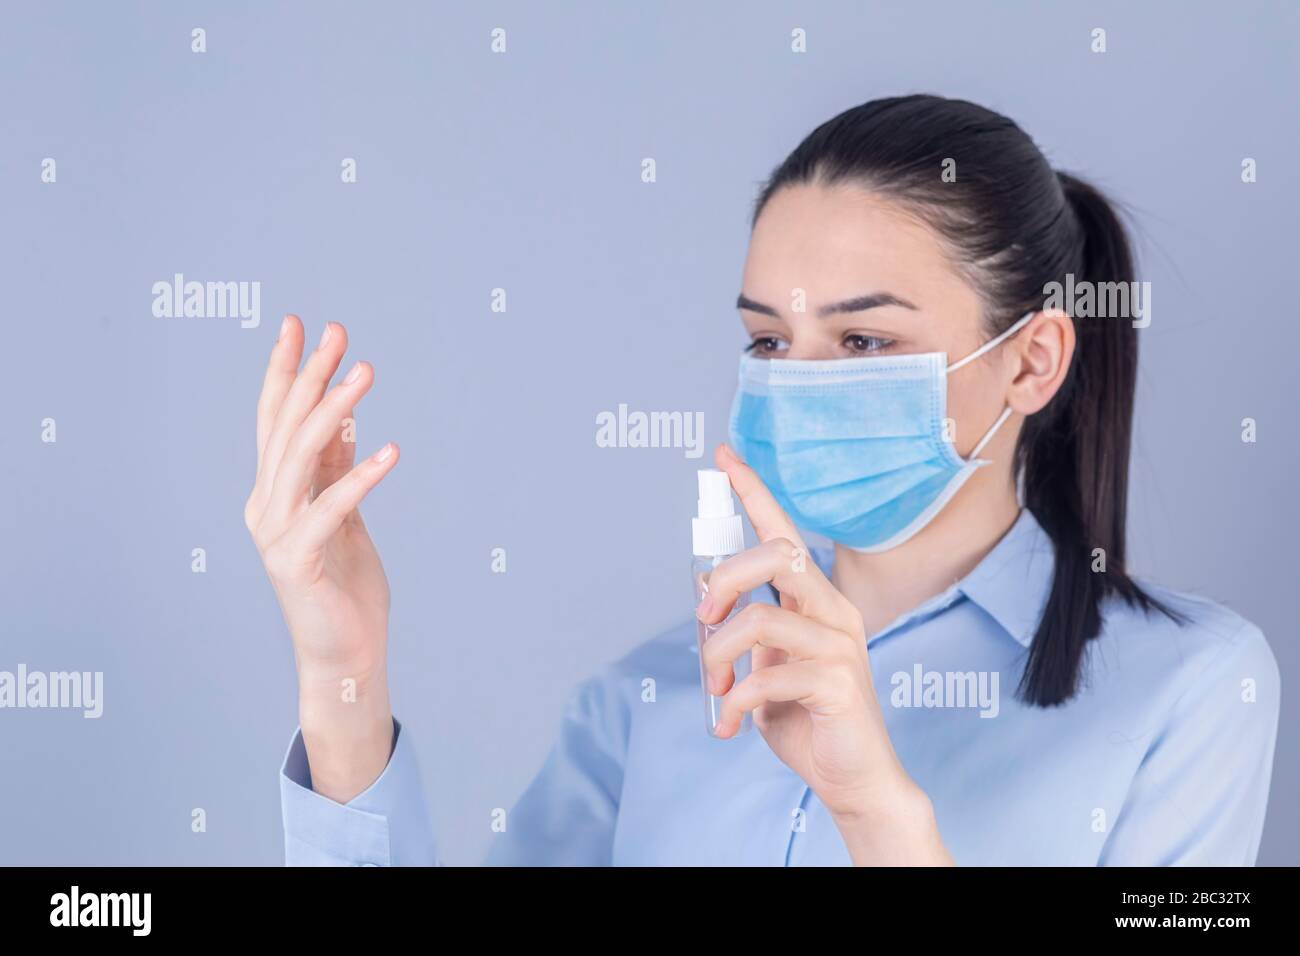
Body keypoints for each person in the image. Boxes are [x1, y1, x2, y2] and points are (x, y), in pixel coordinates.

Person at [243, 95, 1279, 865]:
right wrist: (346, 673)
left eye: (865, 337)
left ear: (1031, 360)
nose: (800, 386)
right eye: (770, 341)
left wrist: (877, 807)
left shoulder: (1193, 691)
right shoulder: (656, 693)